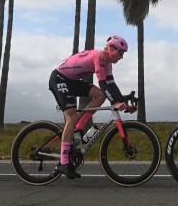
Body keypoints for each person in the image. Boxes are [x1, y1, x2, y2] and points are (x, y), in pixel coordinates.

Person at [49, 35, 136, 179]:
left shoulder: (107, 64)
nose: (121, 57)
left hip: (72, 80)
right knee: (71, 117)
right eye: (120, 52)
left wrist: (123, 103)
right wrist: (116, 103)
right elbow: (103, 83)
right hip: (59, 78)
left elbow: (111, 86)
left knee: (101, 95)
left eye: (123, 54)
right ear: (111, 49)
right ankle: (63, 162)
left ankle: (78, 127)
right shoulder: (100, 57)